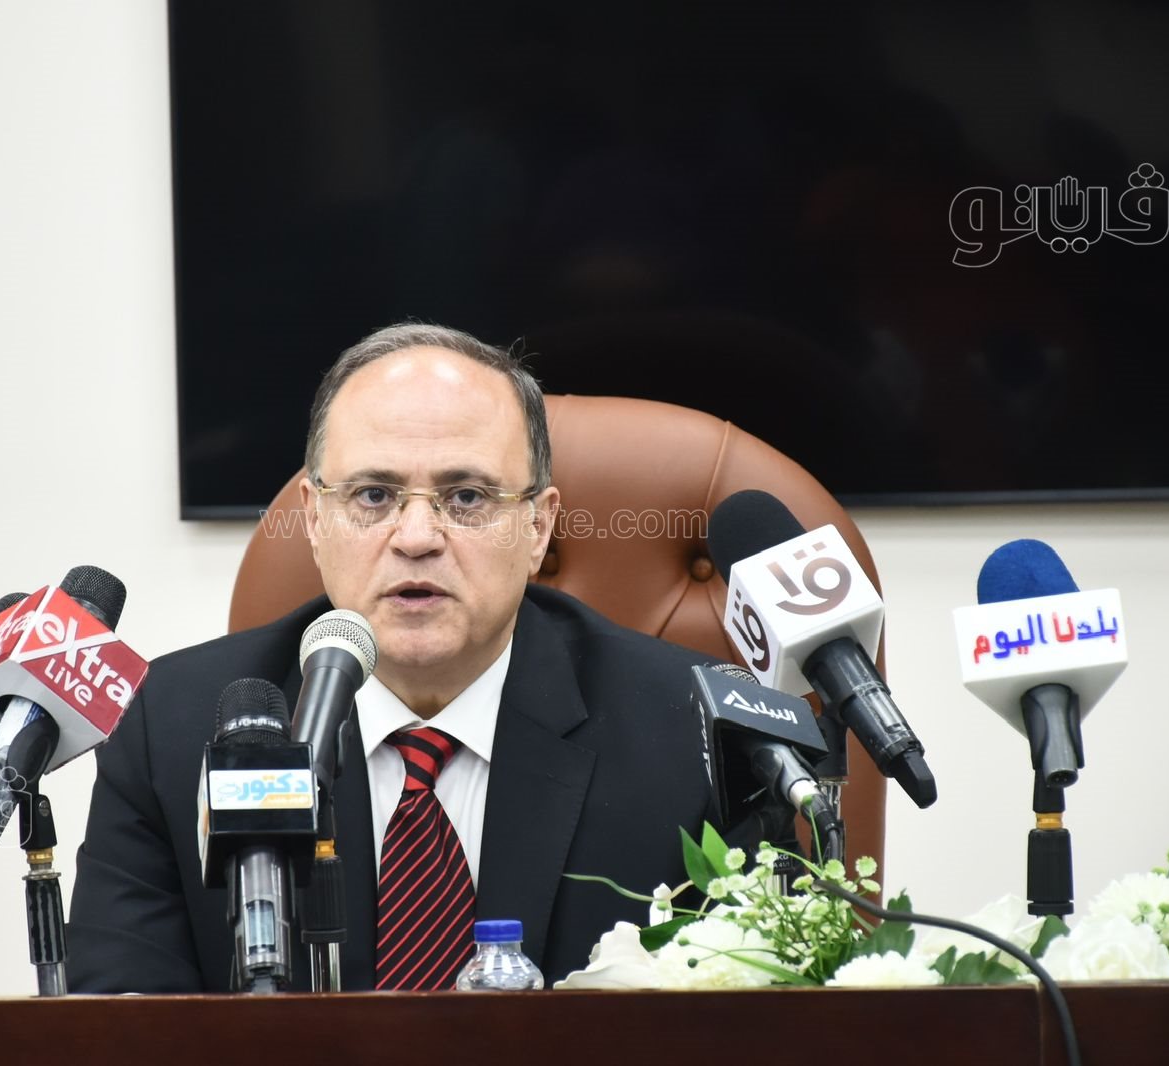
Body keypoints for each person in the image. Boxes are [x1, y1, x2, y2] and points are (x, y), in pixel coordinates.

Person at [67, 322, 730, 993]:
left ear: (537, 527)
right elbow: (120, 1024)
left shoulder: (695, 734)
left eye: (466, 497)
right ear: (315, 520)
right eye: (373, 495)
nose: (416, 537)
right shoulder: (168, 729)